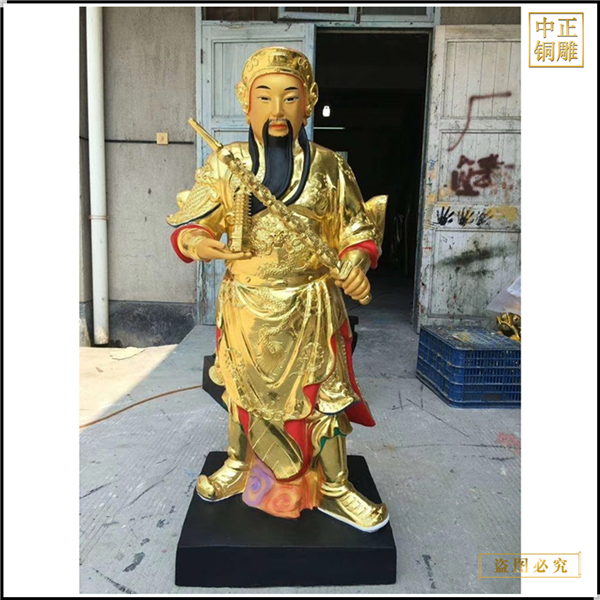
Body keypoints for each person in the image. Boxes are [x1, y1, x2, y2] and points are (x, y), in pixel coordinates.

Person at [167, 46, 388, 532]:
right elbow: (191, 226)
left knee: (326, 395)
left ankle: (335, 486)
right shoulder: (226, 165)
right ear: (245, 101)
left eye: (290, 97)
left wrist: (355, 262)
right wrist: (202, 244)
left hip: (312, 306)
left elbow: (357, 229)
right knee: (239, 388)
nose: (277, 110)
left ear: (308, 102)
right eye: (264, 97)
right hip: (245, 305)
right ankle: (238, 463)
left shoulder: (329, 167)